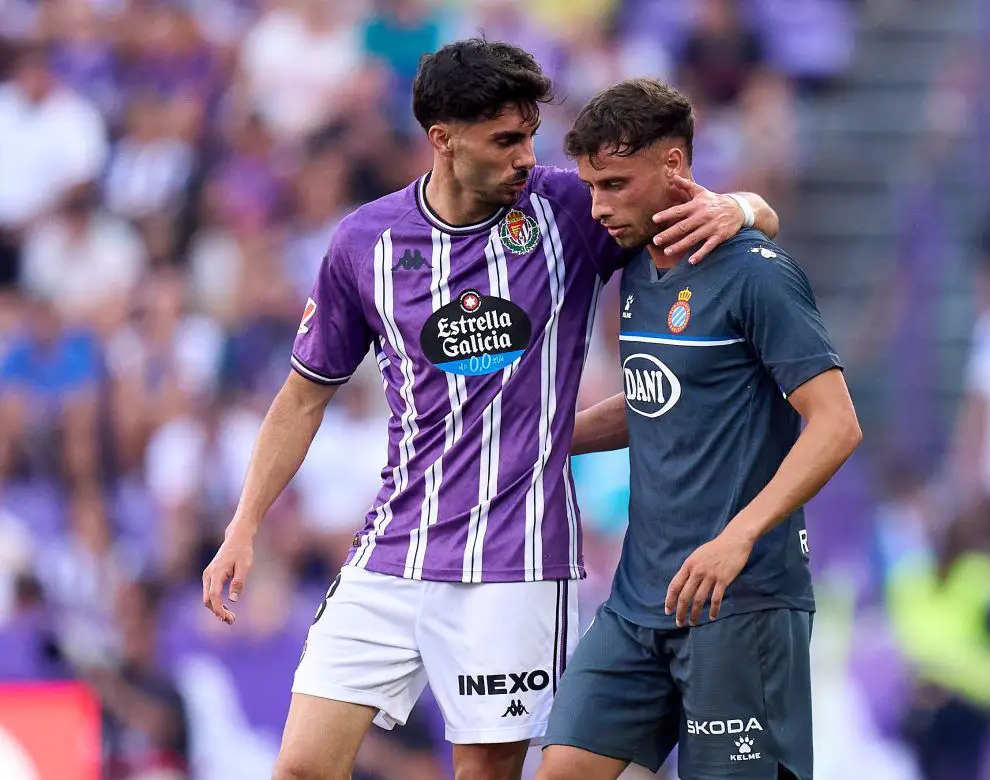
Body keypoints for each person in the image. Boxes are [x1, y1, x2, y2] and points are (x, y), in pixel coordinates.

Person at [199, 40, 782, 780]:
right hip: (393, 547)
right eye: (506, 140)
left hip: (518, 561)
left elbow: (745, 214)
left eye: (530, 136)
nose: (526, 158)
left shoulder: (568, 212)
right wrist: (244, 524)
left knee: (483, 774)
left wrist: (740, 207)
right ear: (443, 139)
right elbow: (303, 396)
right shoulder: (365, 243)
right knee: (301, 768)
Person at [536, 78, 862, 780]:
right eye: (591, 186)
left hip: (740, 599)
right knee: (561, 770)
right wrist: (540, 443)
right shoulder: (635, 269)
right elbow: (656, 398)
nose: (599, 207)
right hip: (639, 599)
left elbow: (837, 426)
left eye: (615, 184)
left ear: (675, 165)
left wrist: (738, 537)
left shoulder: (756, 275)